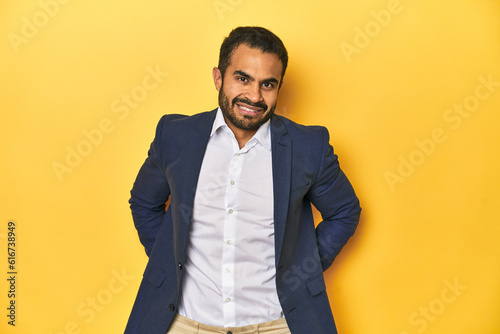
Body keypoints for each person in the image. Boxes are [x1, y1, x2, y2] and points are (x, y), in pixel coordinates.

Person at [125, 26, 361, 334]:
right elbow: (145, 201)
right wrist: (169, 260)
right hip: (183, 321)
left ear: (279, 87)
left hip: (275, 323)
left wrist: (304, 268)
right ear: (218, 78)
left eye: (268, 84)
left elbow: (344, 211)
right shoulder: (176, 137)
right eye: (242, 78)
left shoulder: (308, 147)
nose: (254, 96)